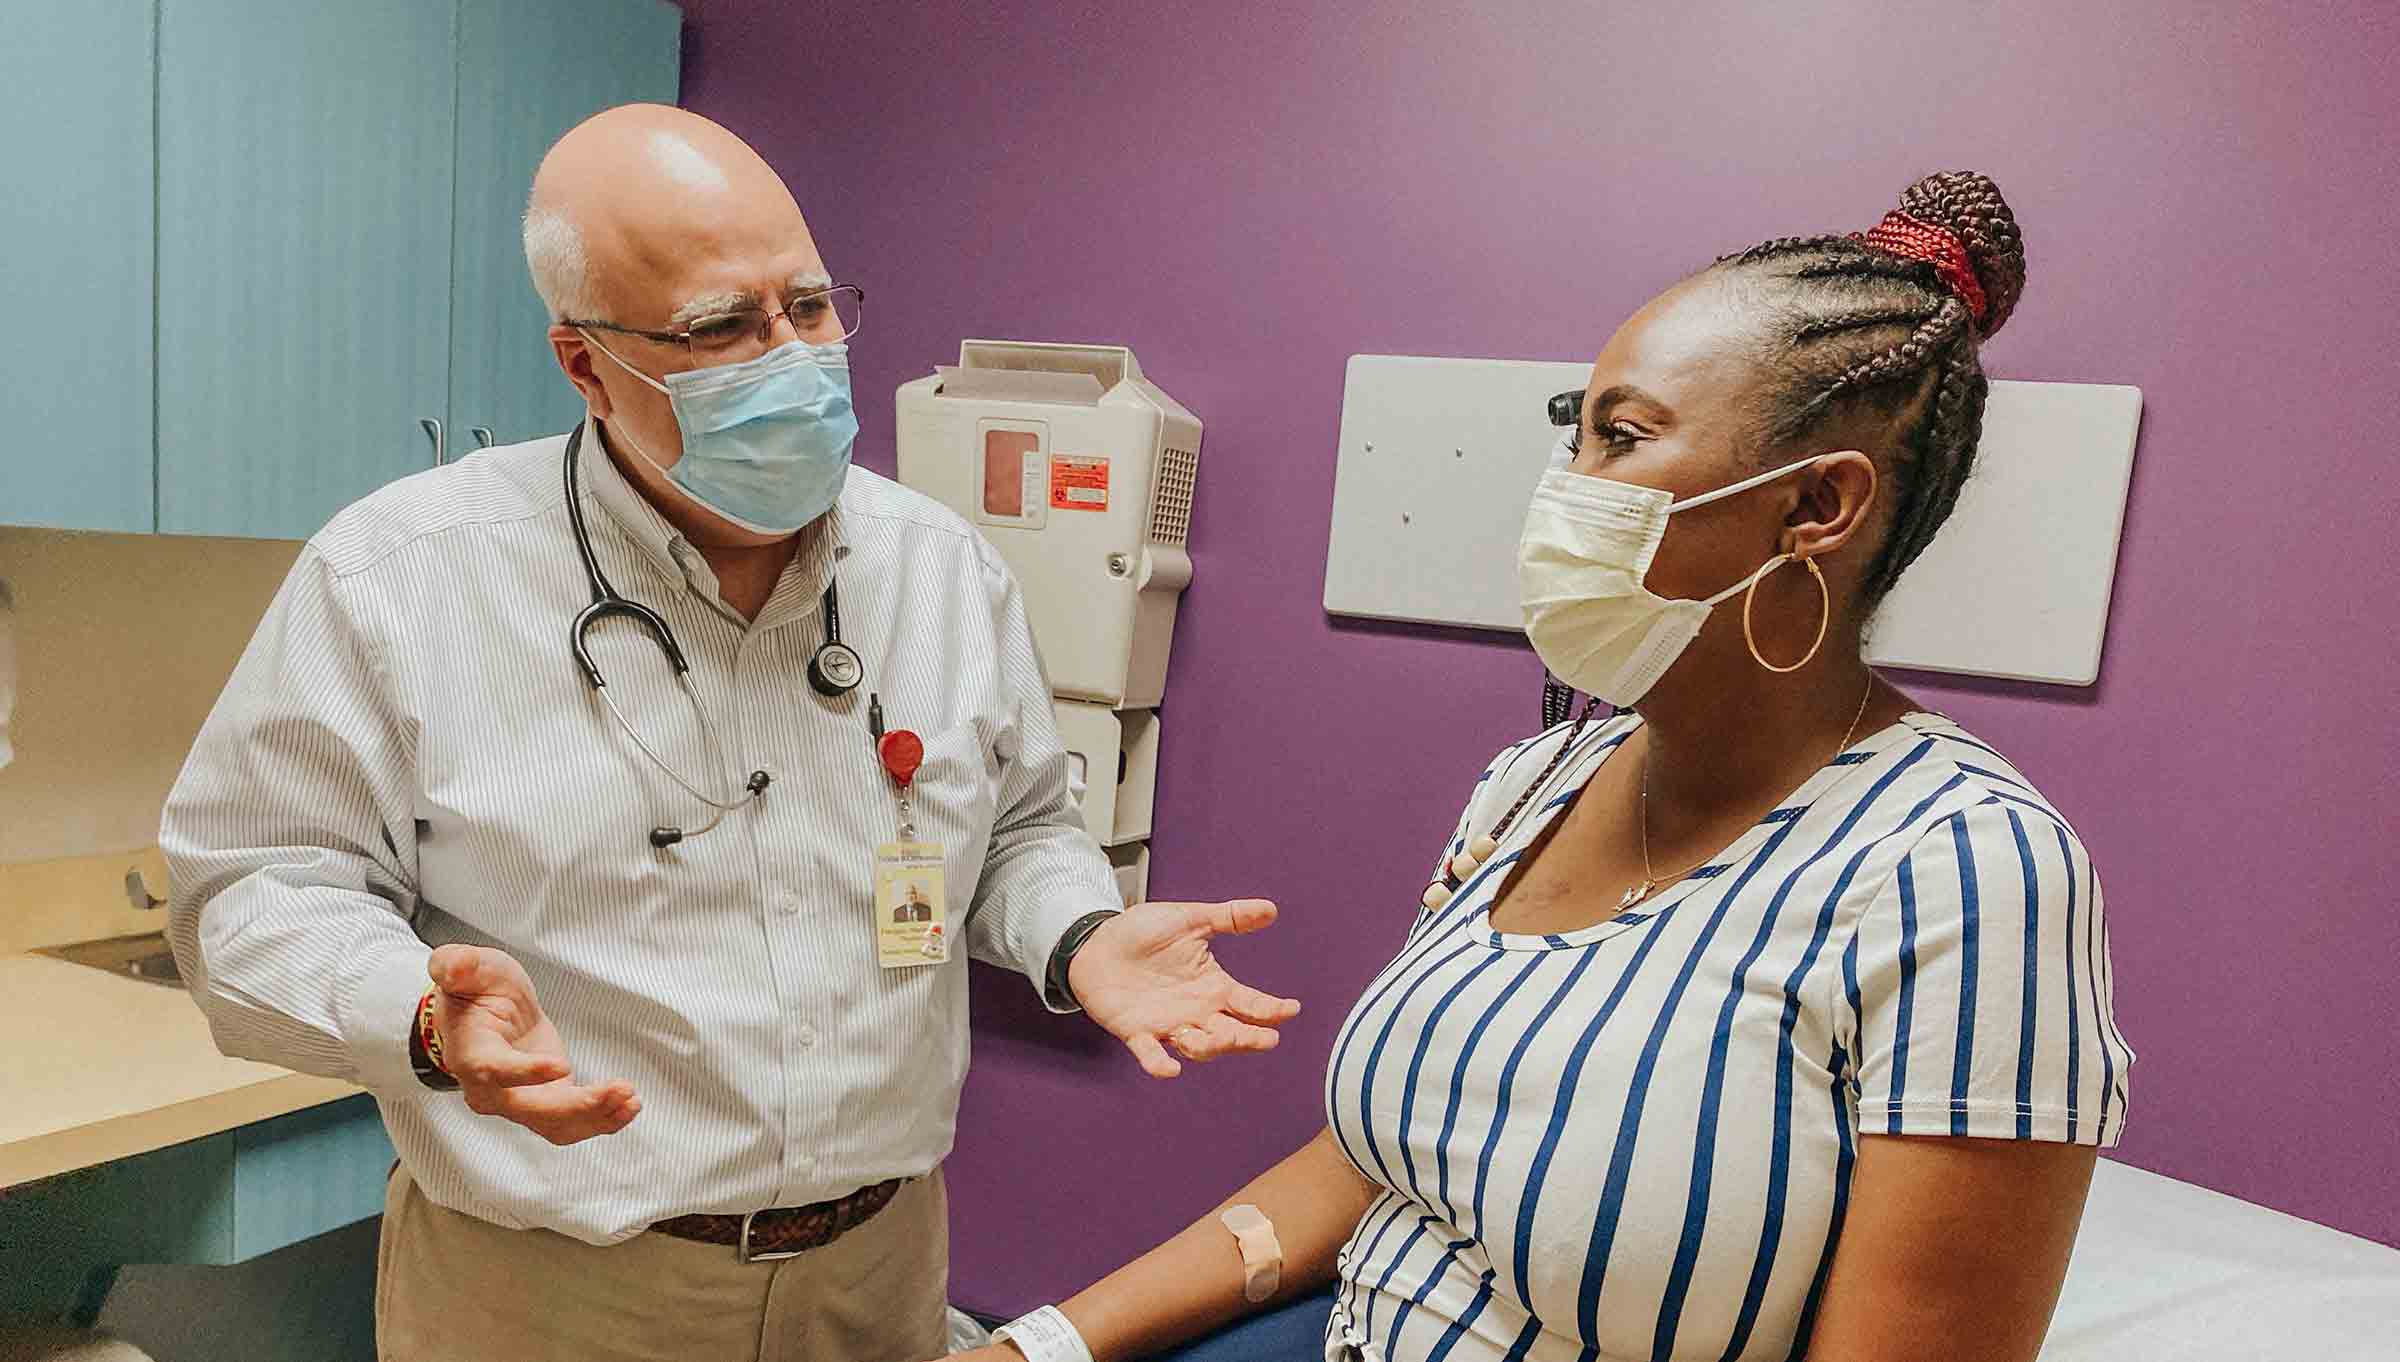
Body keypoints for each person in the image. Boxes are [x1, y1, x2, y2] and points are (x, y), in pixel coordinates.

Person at [162, 105, 1300, 1362]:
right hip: (553, 1294)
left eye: (809, 308)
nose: (792, 357)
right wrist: (420, 1018)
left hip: (878, 1275)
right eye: (719, 328)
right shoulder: (401, 578)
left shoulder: (940, 572)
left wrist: (1078, 934)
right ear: (585, 364)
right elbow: (250, 893)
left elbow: (1021, 828)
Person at [947, 171, 2133, 1362]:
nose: (1565, 490)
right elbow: (1377, 1170)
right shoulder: (1540, 780)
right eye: (1575, 433)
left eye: (1622, 438)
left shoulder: (1970, 877)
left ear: (1816, 504)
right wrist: (1037, 1346)